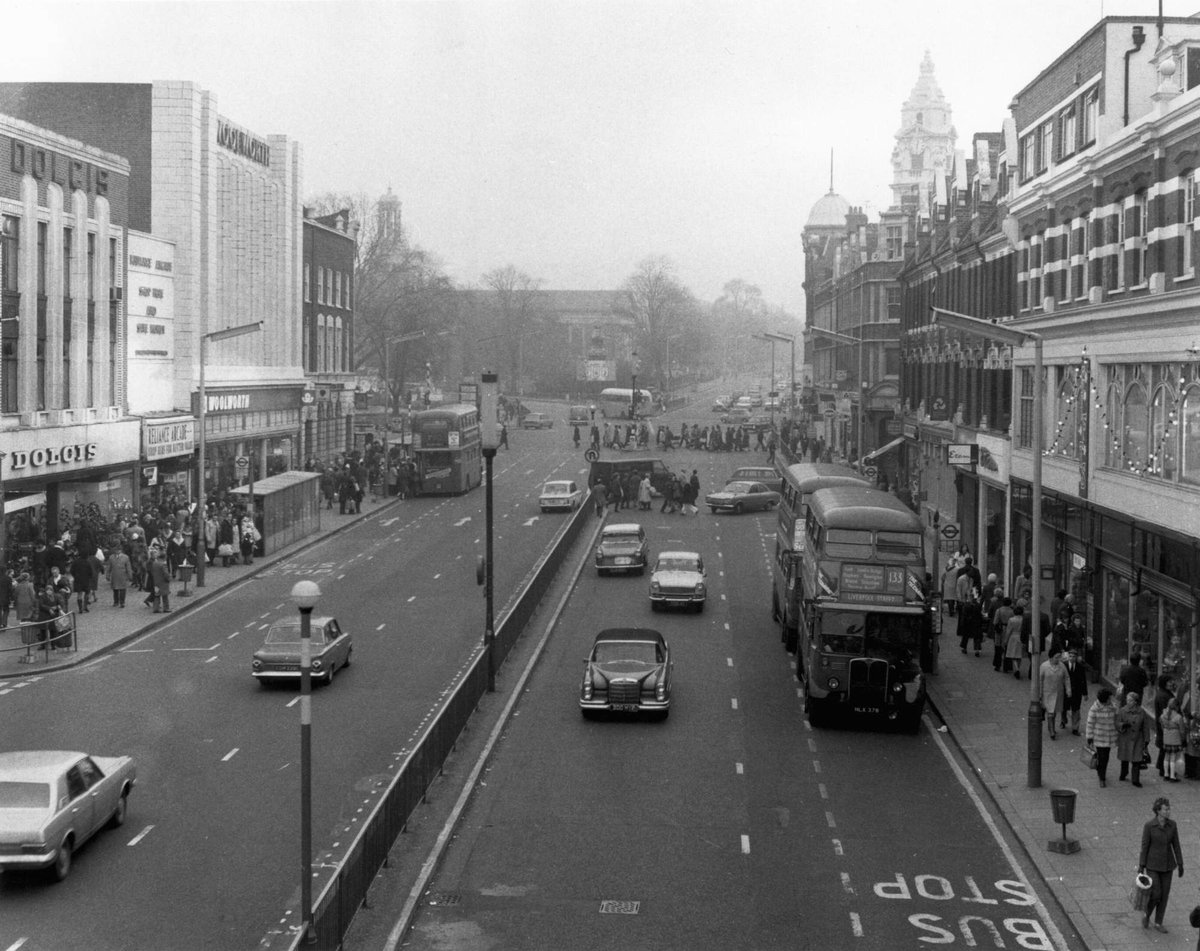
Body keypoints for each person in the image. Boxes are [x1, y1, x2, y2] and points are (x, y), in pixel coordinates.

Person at [1138, 797, 1183, 933]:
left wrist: (1180, 863)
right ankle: (1147, 914)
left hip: (1168, 865)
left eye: (1169, 809)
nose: (1168, 811)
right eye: (1166, 809)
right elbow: (1144, 846)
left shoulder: (1172, 825)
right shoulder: (1149, 826)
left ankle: (1158, 922)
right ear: (1158, 811)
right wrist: (1141, 865)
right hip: (1152, 865)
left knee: (1164, 894)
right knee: (1156, 893)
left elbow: (1176, 845)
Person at [1116, 691, 1153, 787]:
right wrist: (1123, 725)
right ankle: (1123, 774)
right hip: (1125, 738)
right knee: (1125, 759)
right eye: (1127, 700)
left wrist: (1146, 739)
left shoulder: (1142, 712)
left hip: (1137, 739)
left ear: (1135, 701)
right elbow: (1117, 723)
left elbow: (1145, 726)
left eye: (1130, 700)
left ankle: (1135, 780)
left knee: (1136, 760)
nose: (1128, 702)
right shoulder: (1122, 711)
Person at [1086, 687, 1119, 787]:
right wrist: (1089, 737)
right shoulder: (1095, 708)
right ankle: (1102, 777)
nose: (1111, 700)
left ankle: (1100, 771)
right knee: (1102, 757)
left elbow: (1117, 719)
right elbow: (1090, 723)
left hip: (1109, 737)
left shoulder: (1113, 707)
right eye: (1109, 698)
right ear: (1104, 699)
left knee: (1106, 757)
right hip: (1099, 737)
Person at [1038, 650, 1071, 740]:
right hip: (1048, 692)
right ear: (1051, 657)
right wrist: (1040, 694)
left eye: (1059, 657)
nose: (1058, 659)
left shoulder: (1062, 666)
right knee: (1050, 712)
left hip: (1058, 693)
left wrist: (1068, 690)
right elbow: (1040, 681)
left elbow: (1066, 678)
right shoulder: (1044, 666)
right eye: (1056, 657)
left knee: (1055, 711)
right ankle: (1052, 731)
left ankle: (1051, 727)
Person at [1154, 675, 1176, 778]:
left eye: (1172, 681)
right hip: (1166, 726)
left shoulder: (1164, 693)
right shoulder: (1164, 696)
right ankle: (1164, 769)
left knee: (1164, 748)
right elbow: (1165, 713)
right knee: (1166, 748)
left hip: (1164, 726)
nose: (1171, 683)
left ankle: (1162, 767)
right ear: (1164, 683)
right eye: (1169, 681)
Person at [1063, 648, 1088, 735]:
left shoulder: (1080, 667)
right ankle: (1063, 720)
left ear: (1076, 657)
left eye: (1074, 656)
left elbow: (1083, 680)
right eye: (1070, 656)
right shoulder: (1064, 665)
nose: (1072, 658)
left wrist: (1085, 693)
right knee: (1064, 707)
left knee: (1076, 709)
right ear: (1068, 657)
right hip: (1065, 690)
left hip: (1077, 692)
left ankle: (1075, 728)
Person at [1161, 699, 1185, 783]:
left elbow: (1162, 726)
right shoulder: (1178, 717)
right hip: (1175, 739)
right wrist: (1183, 739)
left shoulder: (1163, 715)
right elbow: (1182, 731)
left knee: (1166, 757)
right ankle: (1172, 776)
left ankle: (1166, 775)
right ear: (1177, 707)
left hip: (1166, 738)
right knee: (1173, 758)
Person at [958, 590, 983, 656]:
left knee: (966, 636)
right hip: (976, 623)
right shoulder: (978, 605)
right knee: (977, 637)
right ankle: (977, 650)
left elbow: (964, 615)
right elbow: (979, 615)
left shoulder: (966, 605)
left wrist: (962, 623)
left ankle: (964, 648)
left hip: (968, 623)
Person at [69, 548, 94, 615]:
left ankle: (80, 608)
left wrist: (75, 576)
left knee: (79, 594)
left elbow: (71, 571)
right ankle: (85, 606)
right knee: (87, 593)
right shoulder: (87, 562)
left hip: (78, 580)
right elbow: (91, 572)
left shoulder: (75, 562)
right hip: (86, 580)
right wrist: (90, 577)